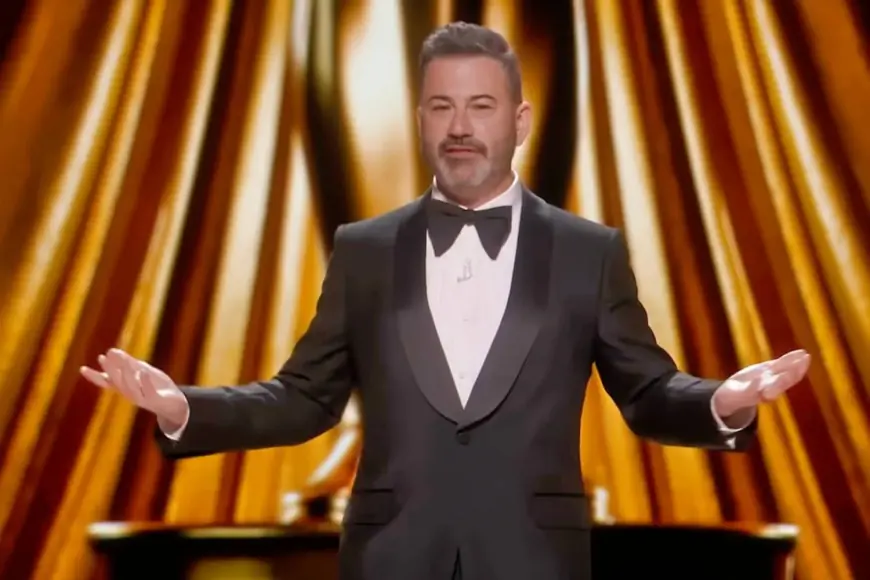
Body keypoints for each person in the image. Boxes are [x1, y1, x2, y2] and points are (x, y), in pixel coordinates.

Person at [81, 21, 811, 580]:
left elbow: (647, 393)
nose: (460, 126)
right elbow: (303, 399)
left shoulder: (588, 251)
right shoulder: (364, 249)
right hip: (390, 559)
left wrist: (723, 402)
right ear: (424, 120)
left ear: (520, 121)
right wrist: (184, 408)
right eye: (442, 107)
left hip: (536, 560)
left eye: (481, 106)